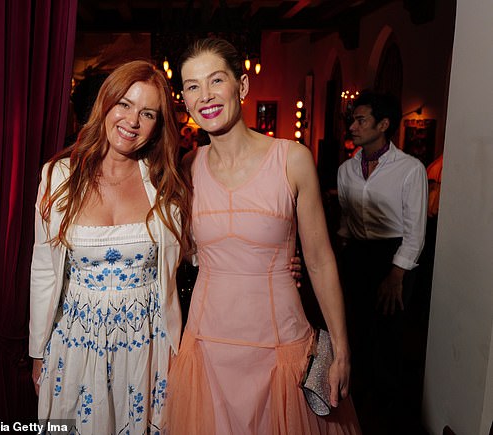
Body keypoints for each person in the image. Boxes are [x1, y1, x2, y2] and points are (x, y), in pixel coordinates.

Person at [166, 37, 360, 434]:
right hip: (207, 344)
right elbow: (184, 249)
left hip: (279, 342)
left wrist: (341, 349)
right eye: (192, 86)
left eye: (216, 80)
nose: (206, 96)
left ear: (242, 85)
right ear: (183, 99)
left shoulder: (292, 159)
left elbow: (321, 260)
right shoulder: (187, 167)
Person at [29, 60, 192, 434]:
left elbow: (200, 250)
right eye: (124, 104)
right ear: (105, 104)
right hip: (76, 342)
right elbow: (43, 269)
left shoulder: (165, 184)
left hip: (147, 344)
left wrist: (274, 258)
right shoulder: (58, 176)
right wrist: (37, 350)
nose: (132, 120)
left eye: (147, 112)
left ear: (157, 125)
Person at [337, 91, 428, 433]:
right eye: (353, 120)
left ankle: (387, 412)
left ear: (384, 124)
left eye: (361, 120)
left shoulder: (409, 169)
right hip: (358, 255)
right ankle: (356, 402)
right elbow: (346, 221)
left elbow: (415, 230)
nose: (353, 126)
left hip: (394, 258)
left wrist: (396, 274)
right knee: (356, 327)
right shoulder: (346, 169)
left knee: (389, 333)